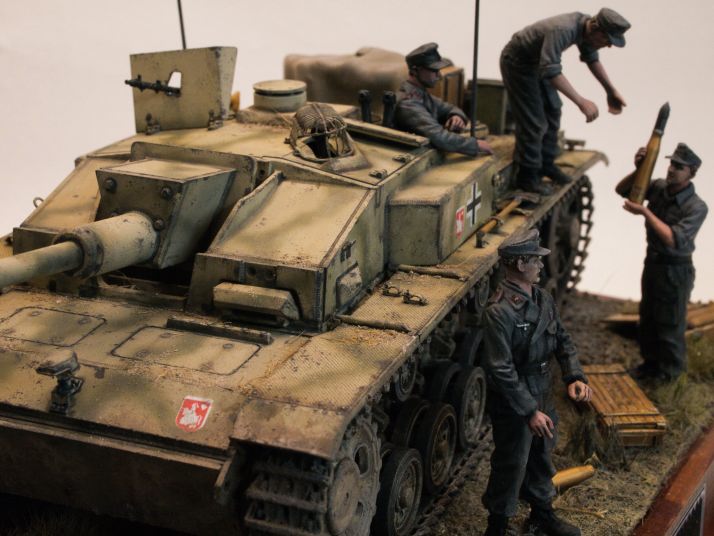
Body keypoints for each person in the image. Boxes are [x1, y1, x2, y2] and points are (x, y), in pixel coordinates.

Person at [481, 228, 592, 536]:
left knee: (542, 455)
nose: (542, 265)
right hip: (515, 399)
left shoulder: (542, 298)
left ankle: (542, 514)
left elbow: (562, 339)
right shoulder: (499, 311)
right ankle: (497, 527)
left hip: (542, 388)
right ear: (520, 264)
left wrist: (573, 376)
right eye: (536, 260)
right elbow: (501, 368)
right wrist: (529, 411)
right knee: (512, 463)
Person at [501, 8, 630, 194]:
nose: (608, 46)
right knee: (534, 122)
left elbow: (591, 58)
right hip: (518, 63)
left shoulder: (586, 28)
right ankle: (527, 176)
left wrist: (610, 90)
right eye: (607, 40)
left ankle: (546, 164)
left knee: (554, 109)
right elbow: (551, 70)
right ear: (596, 29)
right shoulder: (563, 29)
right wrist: (581, 101)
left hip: (537, 64)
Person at [616, 143, 708, 381]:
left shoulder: (697, 206)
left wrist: (645, 212)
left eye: (679, 167)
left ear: (691, 173)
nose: (672, 169)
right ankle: (650, 366)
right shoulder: (659, 187)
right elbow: (623, 190)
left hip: (675, 270)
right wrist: (640, 169)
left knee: (670, 325)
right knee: (648, 318)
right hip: (653, 264)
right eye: (671, 164)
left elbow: (674, 239)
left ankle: (671, 377)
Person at [394, 42, 492, 156]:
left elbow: (449, 108)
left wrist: (456, 116)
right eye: (434, 71)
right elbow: (439, 137)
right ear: (415, 71)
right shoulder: (408, 103)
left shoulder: (421, 94)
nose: (439, 75)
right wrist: (475, 145)